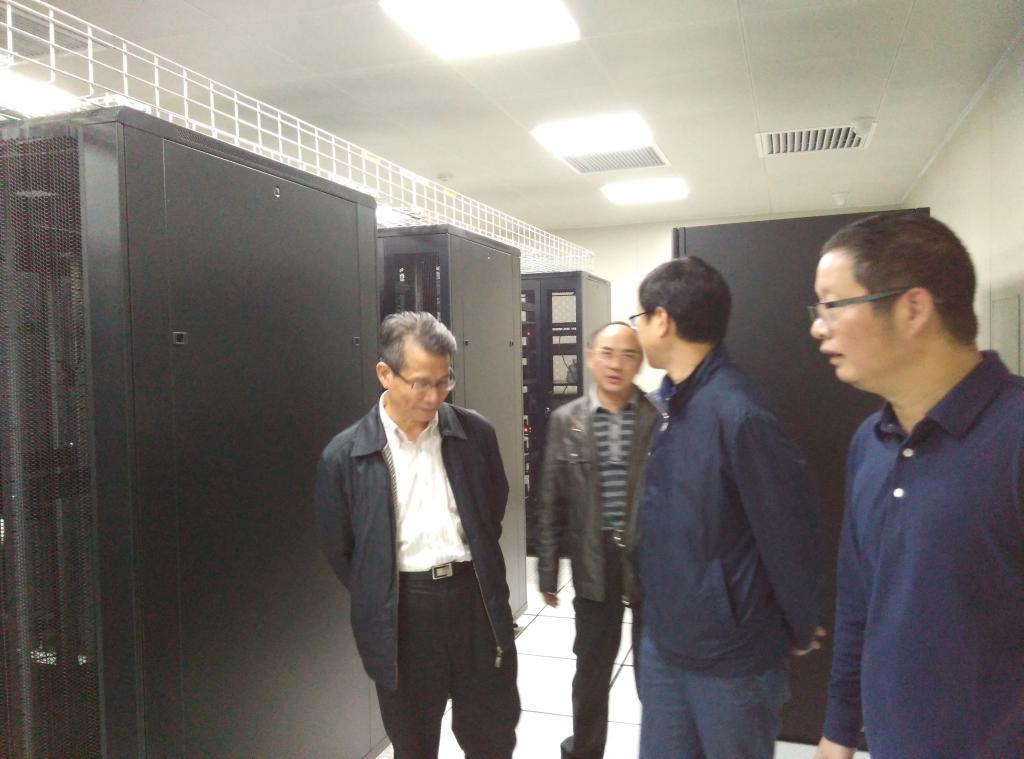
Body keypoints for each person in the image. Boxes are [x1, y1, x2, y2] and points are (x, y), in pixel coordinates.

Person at [809, 213, 1024, 759]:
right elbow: (859, 601)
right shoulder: (870, 441)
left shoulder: (1014, 432)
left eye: (832, 305)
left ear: (912, 308)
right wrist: (839, 729)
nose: (818, 327)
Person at [631, 257, 825, 759]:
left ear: (662, 320)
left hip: (731, 657)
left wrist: (800, 623)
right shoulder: (669, 406)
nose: (638, 329)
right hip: (666, 638)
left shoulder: (739, 413)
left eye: (639, 317)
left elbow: (791, 532)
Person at [313, 311, 520, 759]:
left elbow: (492, 510)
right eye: (421, 383)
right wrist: (384, 588)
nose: (434, 397)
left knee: (492, 737)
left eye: (444, 382)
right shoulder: (345, 456)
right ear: (384, 374)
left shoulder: (474, 434)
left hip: (475, 601)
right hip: (404, 615)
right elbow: (342, 549)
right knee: (414, 744)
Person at [536, 321, 659, 759]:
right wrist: (547, 570)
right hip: (593, 557)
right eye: (607, 352)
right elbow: (550, 499)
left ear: (639, 362)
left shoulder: (657, 418)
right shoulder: (566, 421)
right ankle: (585, 751)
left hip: (648, 560)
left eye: (628, 354)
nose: (616, 363)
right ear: (589, 358)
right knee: (591, 669)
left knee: (654, 673)